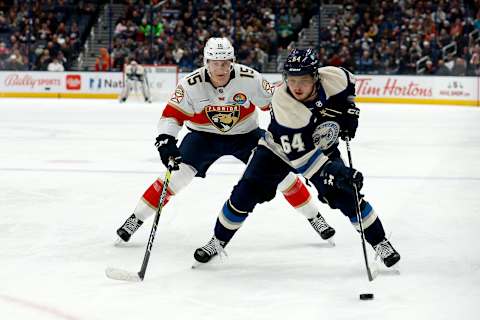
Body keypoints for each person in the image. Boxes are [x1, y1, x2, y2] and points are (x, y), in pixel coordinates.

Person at [194, 48, 401, 269]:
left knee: (347, 195)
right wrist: (336, 173)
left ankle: (380, 242)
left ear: (316, 77)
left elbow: (349, 83)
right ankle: (218, 241)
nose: (297, 86)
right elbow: (303, 161)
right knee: (244, 194)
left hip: (321, 145)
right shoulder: (283, 103)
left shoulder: (334, 77)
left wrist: (350, 109)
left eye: (303, 79)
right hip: (277, 150)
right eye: (292, 80)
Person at [115, 38, 336, 245]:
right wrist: (166, 141)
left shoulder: (250, 78)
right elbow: (172, 116)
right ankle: (135, 219)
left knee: (281, 176)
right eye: (215, 63)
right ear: (206, 62)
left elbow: (279, 103)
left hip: (246, 135)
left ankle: (315, 217)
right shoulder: (191, 84)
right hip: (202, 137)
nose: (220, 69)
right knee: (176, 176)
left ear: (233, 61)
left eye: (225, 63)